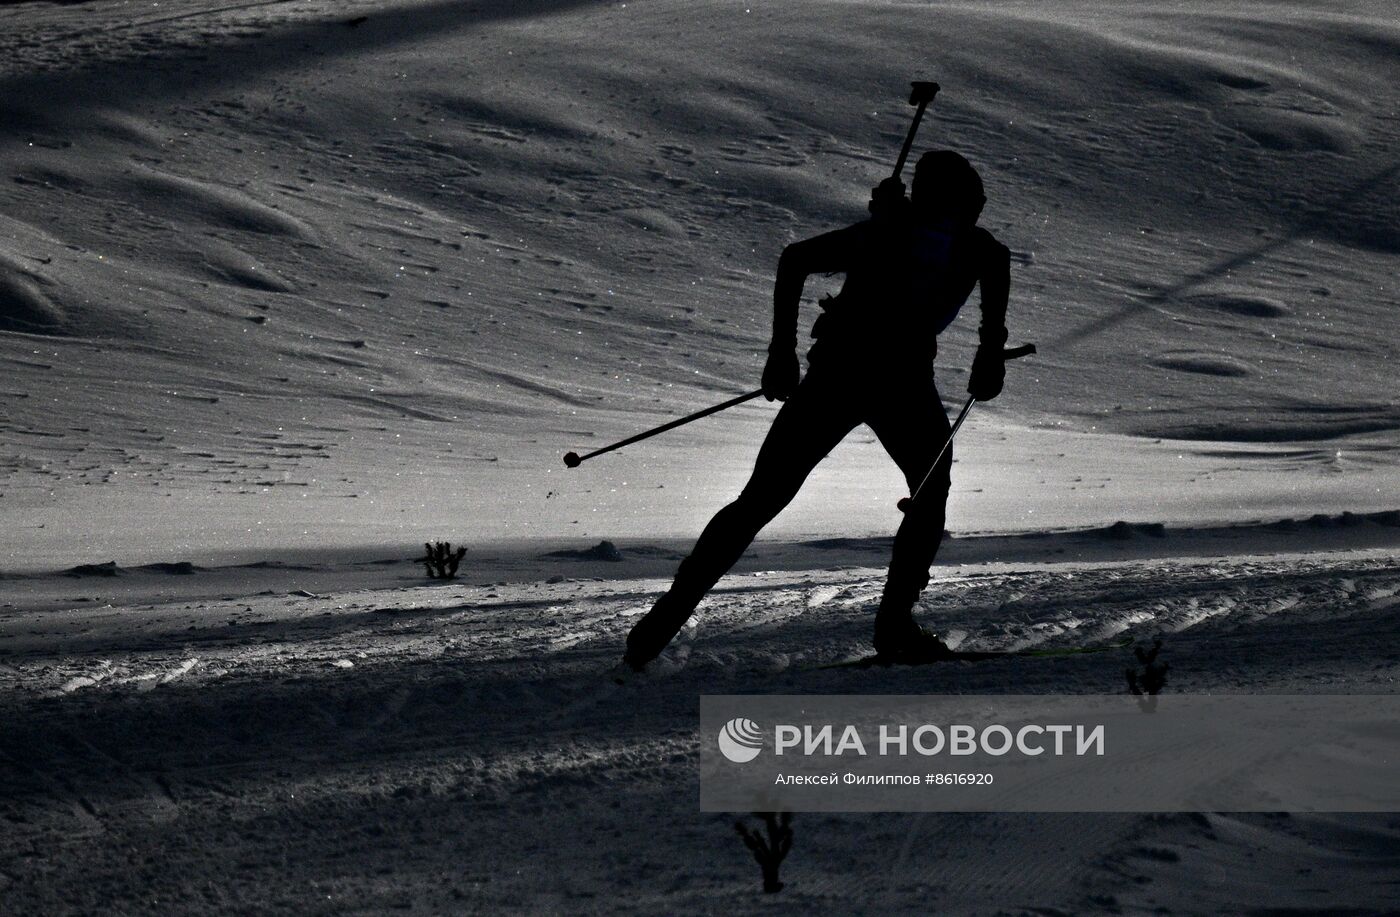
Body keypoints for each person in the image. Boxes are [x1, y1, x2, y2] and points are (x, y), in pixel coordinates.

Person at [623, 149, 1011, 671]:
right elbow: (796, 258)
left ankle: (659, 627)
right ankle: (895, 626)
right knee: (920, 489)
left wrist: (783, 350)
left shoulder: (903, 234)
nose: (977, 209)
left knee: (764, 499)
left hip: (848, 374)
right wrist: (989, 355)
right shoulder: (936, 241)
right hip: (884, 379)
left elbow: (796, 259)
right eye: (970, 199)